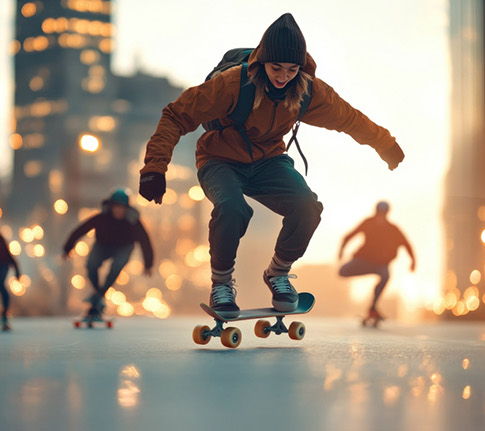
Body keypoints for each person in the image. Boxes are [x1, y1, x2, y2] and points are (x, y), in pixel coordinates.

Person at [138, 13, 405, 318]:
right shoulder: (231, 85)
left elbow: (349, 118)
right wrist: (154, 169)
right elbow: (176, 115)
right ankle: (221, 285)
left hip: (269, 161)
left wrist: (384, 143)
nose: (283, 76)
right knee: (233, 208)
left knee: (307, 206)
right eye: (276, 68)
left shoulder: (308, 91)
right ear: (261, 62)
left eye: (291, 69)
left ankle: (278, 274)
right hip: (220, 160)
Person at [61, 189, 157, 322]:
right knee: (91, 265)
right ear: (111, 207)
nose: (118, 211)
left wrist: (148, 263)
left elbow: (145, 241)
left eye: (121, 208)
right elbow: (82, 229)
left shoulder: (133, 221)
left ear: (126, 209)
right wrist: (68, 247)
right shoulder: (102, 218)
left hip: (124, 248)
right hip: (102, 246)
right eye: (116, 207)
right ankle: (98, 295)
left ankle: (99, 296)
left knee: (116, 266)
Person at [338, 201, 416, 326]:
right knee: (341, 272)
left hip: (380, 265)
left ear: (386, 214)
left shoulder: (392, 229)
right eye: (378, 215)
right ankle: (372, 307)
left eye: (383, 215)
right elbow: (348, 236)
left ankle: (373, 308)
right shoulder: (368, 223)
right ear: (375, 213)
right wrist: (341, 251)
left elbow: (407, 244)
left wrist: (413, 261)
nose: (380, 218)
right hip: (363, 261)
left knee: (385, 275)